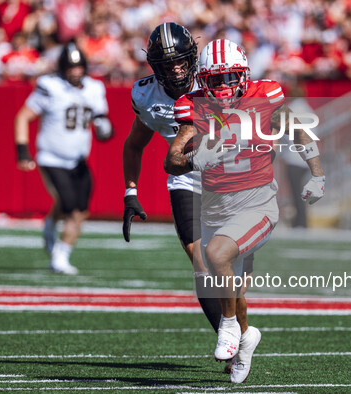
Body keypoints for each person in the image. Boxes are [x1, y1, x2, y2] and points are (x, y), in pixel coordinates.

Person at [164, 39, 325, 383]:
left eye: (229, 77)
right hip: (216, 207)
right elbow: (172, 159)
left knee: (216, 255)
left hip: (258, 204)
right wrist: (193, 157)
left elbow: (296, 129)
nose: (222, 87)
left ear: (244, 74)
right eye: (215, 79)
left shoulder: (265, 95)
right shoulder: (192, 106)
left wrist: (317, 173)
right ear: (202, 79)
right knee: (228, 285)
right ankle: (246, 336)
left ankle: (227, 327)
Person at [122, 23, 243, 353]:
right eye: (167, 63)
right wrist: (130, 191)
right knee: (200, 261)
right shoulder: (146, 95)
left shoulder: (215, 77)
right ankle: (229, 336)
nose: (176, 69)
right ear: (155, 66)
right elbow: (134, 145)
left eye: (181, 61)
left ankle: (240, 331)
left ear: (192, 59)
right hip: (186, 179)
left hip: (227, 180)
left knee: (227, 267)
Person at [14, 42, 113, 274]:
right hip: (52, 157)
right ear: (62, 68)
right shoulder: (50, 86)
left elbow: (102, 120)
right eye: (70, 67)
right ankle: (58, 252)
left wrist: (104, 127)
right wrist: (22, 152)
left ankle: (59, 244)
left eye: (79, 67)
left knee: (81, 209)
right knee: (69, 206)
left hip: (78, 160)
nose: (75, 71)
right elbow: (22, 118)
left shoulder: (94, 88)